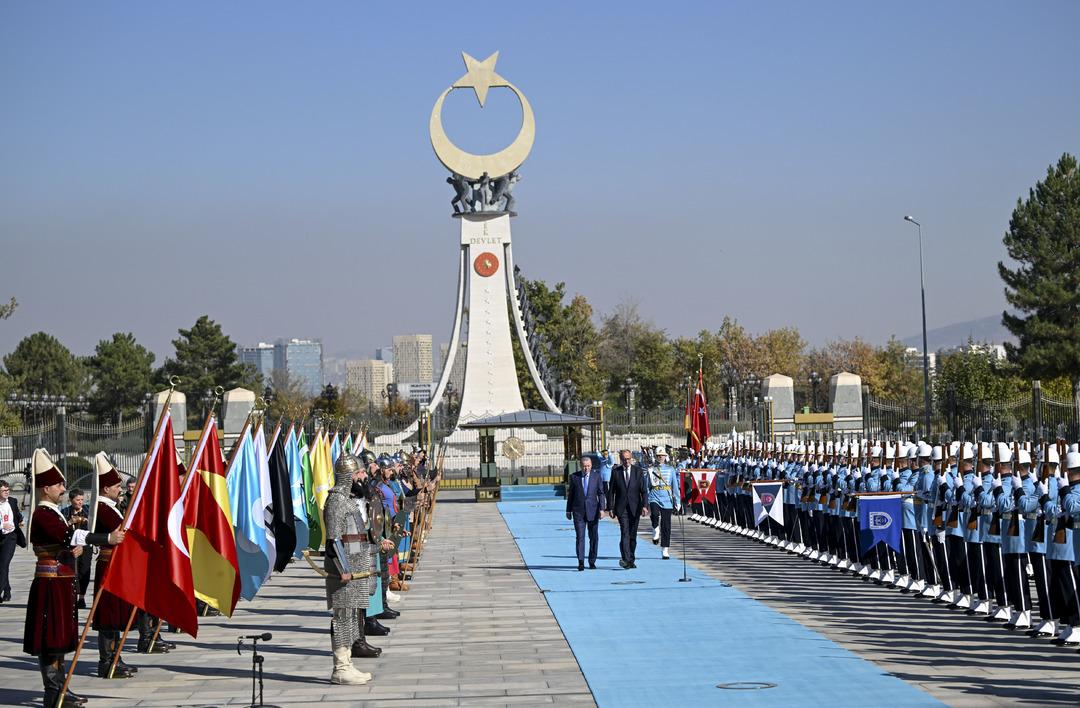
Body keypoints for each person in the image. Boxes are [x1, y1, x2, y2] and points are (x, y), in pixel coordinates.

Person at [24, 448, 125, 708]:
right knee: (51, 637)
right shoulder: (43, 514)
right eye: (58, 484)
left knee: (59, 636)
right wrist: (106, 539)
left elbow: (65, 541)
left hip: (61, 582)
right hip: (51, 583)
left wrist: (72, 548)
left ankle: (60, 689)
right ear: (45, 488)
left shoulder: (52, 512)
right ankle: (53, 691)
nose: (63, 488)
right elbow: (68, 536)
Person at [324, 452, 381, 685]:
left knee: (350, 618)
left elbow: (356, 537)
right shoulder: (337, 501)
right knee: (342, 618)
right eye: (358, 472)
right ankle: (340, 667)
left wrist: (372, 551)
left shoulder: (347, 499)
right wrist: (344, 568)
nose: (363, 476)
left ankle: (347, 662)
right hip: (344, 569)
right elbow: (334, 540)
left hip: (355, 565)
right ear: (348, 475)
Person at [90, 453, 138, 679]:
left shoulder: (111, 505)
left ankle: (115, 656)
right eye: (117, 486)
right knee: (108, 614)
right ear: (106, 488)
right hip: (109, 564)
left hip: (115, 564)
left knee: (115, 613)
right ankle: (107, 661)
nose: (120, 489)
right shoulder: (103, 508)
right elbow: (123, 531)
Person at [608, 449, 647, 569]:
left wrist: (645, 506)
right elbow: (611, 492)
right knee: (624, 532)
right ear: (621, 459)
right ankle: (626, 559)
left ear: (631, 458)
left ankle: (631, 558)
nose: (626, 461)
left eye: (628, 458)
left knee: (632, 535)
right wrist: (610, 507)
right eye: (624, 459)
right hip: (621, 508)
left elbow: (644, 491)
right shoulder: (616, 472)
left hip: (635, 507)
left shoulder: (638, 471)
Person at [565, 454, 606, 571]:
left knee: (594, 538)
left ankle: (592, 561)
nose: (586, 468)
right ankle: (581, 561)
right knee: (580, 537)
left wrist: (602, 509)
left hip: (593, 512)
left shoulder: (597, 476)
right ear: (580, 466)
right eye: (584, 466)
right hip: (578, 512)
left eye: (588, 466)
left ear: (591, 466)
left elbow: (601, 493)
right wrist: (568, 510)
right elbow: (571, 495)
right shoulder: (574, 477)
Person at [647, 447, 681, 559]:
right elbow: (647, 486)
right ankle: (655, 528)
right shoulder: (651, 469)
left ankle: (665, 549)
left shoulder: (671, 469)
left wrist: (677, 500)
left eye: (662, 455)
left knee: (666, 525)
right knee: (655, 514)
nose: (661, 457)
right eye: (659, 455)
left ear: (666, 457)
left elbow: (675, 486)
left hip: (667, 498)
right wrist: (646, 500)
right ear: (656, 457)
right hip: (654, 495)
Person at [62, 488, 92, 608]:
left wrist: (85, 520)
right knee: (73, 571)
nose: (80, 502)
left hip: (85, 546)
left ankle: (82, 597)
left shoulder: (88, 511)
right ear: (71, 500)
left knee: (84, 570)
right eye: (77, 499)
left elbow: (93, 525)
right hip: (71, 546)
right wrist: (70, 522)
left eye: (82, 499)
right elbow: (62, 527)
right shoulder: (65, 512)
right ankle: (73, 596)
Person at [1, 479, 26, 603]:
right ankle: (7, 590)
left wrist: (20, 520)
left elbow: (17, 515)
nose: (7, 492)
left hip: (11, 537)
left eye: (8, 490)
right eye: (4, 490)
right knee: (2, 566)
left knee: (4, 564)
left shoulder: (12, 501)